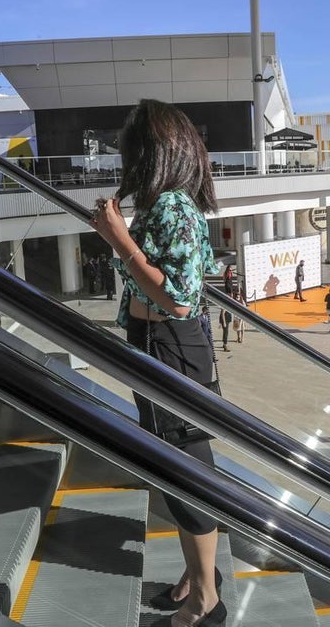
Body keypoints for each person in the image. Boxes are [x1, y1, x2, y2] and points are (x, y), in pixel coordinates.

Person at [90, 99, 225, 627]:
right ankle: (198, 575)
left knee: (186, 469)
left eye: (131, 152)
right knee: (176, 465)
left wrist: (119, 239)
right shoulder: (166, 205)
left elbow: (179, 299)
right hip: (160, 344)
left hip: (169, 344)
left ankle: (206, 598)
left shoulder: (172, 207)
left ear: (152, 153)